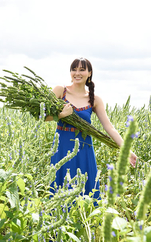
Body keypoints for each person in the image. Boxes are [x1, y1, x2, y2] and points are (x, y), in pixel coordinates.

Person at [45, 57, 138, 202]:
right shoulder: (60, 91)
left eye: (82, 69)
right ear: (70, 72)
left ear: (89, 73)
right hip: (62, 148)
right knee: (61, 189)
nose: (77, 73)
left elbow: (109, 127)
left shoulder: (94, 99)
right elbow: (43, 115)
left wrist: (127, 150)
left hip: (84, 148)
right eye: (74, 69)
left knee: (86, 193)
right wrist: (61, 115)